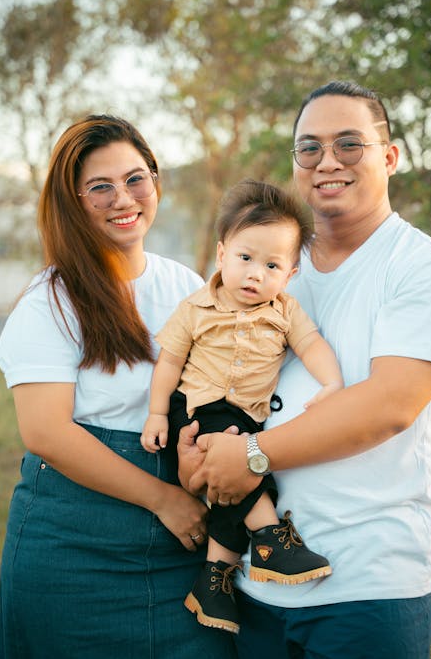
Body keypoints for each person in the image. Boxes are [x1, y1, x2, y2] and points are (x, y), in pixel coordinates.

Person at [178, 81, 431, 659]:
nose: (327, 161)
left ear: (390, 157)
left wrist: (251, 456)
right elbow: (215, 372)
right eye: (308, 147)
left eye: (350, 143)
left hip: (366, 584)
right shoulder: (272, 267)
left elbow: (388, 406)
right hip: (258, 583)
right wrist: (200, 459)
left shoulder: (426, 270)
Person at [0, 115, 241, 659]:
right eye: (100, 187)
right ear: (73, 202)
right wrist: (164, 499)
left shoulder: (186, 285)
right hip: (75, 551)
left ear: (156, 181)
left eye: (136, 178)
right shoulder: (50, 300)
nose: (122, 199)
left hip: (180, 549)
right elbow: (46, 433)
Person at [141, 179, 343, 634]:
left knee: (231, 492)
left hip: (245, 418)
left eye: (272, 265)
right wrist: (156, 414)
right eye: (245, 258)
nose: (255, 274)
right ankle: (270, 537)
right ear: (221, 256)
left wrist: (332, 382)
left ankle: (214, 578)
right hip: (197, 409)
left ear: (290, 274)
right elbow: (169, 362)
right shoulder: (195, 307)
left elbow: (311, 345)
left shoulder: (286, 311)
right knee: (251, 474)